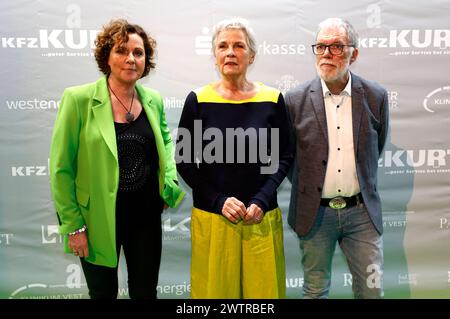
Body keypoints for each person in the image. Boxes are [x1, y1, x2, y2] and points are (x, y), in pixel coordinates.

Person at [49, 19, 184, 299]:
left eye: (138, 53)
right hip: (96, 219)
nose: (131, 59)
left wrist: (167, 181)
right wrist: (74, 226)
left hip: (146, 218)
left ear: (146, 60)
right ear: (106, 57)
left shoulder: (153, 100)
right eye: (122, 51)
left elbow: (165, 142)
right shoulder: (78, 100)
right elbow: (61, 168)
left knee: (146, 292)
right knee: (102, 293)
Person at [176, 17, 293, 298]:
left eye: (238, 45)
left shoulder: (272, 99)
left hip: (260, 218)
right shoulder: (198, 99)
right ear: (215, 56)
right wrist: (219, 200)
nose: (230, 52)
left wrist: (262, 199)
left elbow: (284, 155)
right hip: (213, 217)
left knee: (264, 297)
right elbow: (184, 161)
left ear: (251, 55)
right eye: (223, 46)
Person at [285, 17, 389, 299]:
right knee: (315, 290)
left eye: (336, 47)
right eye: (320, 47)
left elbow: (375, 148)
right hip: (315, 213)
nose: (327, 54)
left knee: (371, 290)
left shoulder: (375, 96)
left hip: (362, 214)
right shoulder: (294, 100)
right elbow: (288, 158)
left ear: (354, 53)